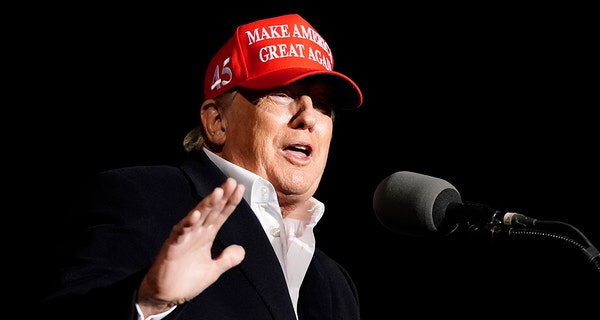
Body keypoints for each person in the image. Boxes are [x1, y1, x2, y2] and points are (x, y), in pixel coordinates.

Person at [41, 13, 363, 320]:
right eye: (281, 94)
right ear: (216, 121)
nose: (308, 117)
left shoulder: (335, 286)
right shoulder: (144, 199)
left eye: (322, 106)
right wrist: (147, 301)